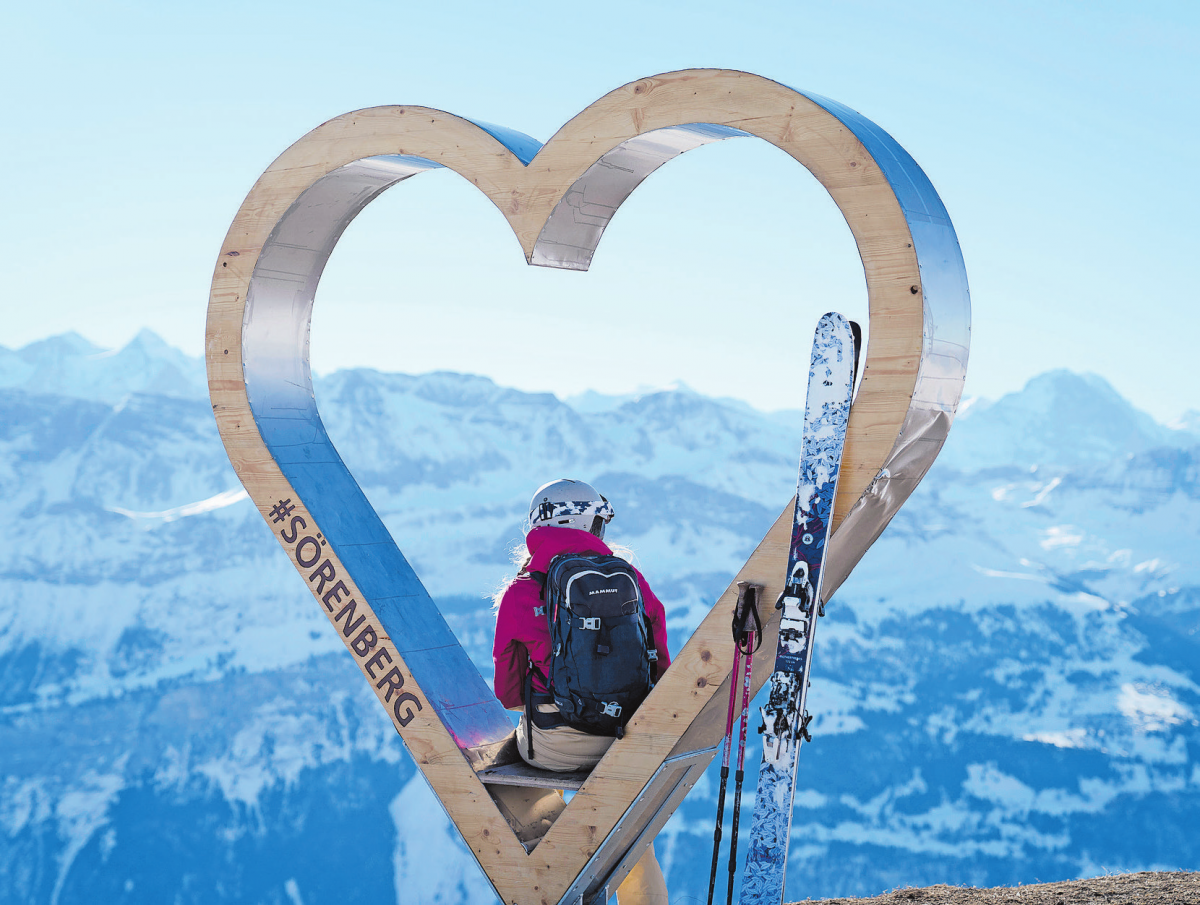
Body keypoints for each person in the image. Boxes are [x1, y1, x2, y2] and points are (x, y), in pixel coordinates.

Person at [492, 478, 671, 902]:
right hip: (622, 743)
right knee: (626, 833)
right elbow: (660, 666)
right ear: (590, 525)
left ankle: (560, 873)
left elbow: (509, 694)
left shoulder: (520, 594)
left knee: (516, 764)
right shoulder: (633, 582)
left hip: (553, 750)